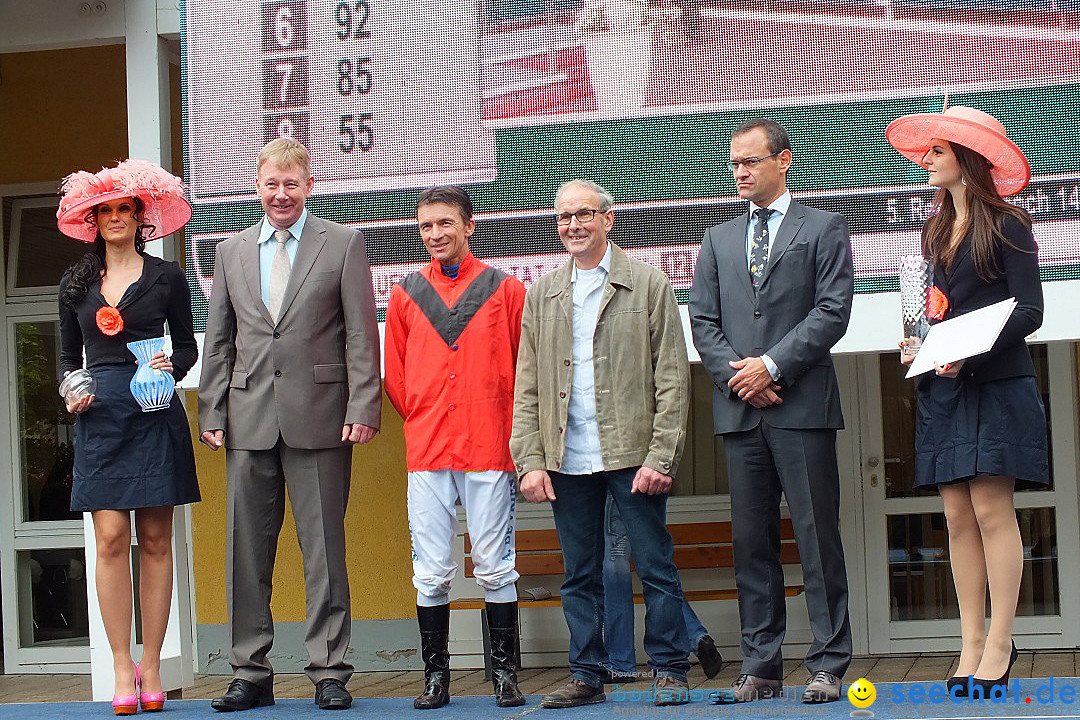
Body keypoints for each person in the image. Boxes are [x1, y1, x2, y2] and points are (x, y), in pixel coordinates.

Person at [198, 138, 382, 712]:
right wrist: (211, 409)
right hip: (247, 418)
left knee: (324, 547)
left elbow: (360, 334)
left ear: (309, 186)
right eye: (272, 184)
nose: (281, 195)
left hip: (323, 417)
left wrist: (362, 407)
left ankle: (329, 669)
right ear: (258, 186)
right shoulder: (230, 251)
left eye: (292, 184)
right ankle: (250, 671)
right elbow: (221, 339)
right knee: (246, 551)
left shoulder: (344, 244)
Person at [689, 118, 854, 704]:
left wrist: (773, 366)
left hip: (802, 407)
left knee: (817, 539)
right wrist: (742, 377)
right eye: (734, 163)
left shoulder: (824, 226)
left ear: (784, 160)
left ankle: (829, 662)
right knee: (751, 543)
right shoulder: (717, 239)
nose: (740, 171)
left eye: (751, 161)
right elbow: (703, 322)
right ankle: (761, 665)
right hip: (741, 412)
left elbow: (833, 311)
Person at [511, 179, 692, 709]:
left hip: (633, 454)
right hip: (566, 459)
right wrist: (530, 460)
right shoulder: (542, 293)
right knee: (579, 575)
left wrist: (663, 456)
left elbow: (673, 380)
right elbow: (527, 385)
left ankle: (670, 669)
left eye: (584, 215)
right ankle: (587, 674)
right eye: (564, 217)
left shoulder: (649, 283)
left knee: (655, 565)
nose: (573, 225)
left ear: (609, 220)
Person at [888, 105, 1046, 696]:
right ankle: (970, 643)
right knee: (956, 517)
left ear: (966, 159)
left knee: (989, 511)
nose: (926, 160)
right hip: (944, 389)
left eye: (937, 151)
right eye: (927, 151)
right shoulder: (932, 233)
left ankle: (1000, 643)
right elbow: (936, 312)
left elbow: (1029, 311)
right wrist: (921, 344)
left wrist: (966, 352)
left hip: (996, 386)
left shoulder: (1008, 225)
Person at [56, 159, 201, 716]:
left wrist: (171, 363)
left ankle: (153, 664)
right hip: (101, 417)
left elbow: (188, 347)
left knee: (158, 541)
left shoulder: (168, 277)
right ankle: (121, 665)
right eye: (106, 210)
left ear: (141, 216)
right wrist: (74, 389)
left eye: (125, 208)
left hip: (154, 409)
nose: (115, 217)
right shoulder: (74, 283)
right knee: (112, 539)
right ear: (93, 220)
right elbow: (70, 359)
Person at [383, 186, 527, 709]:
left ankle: (506, 675)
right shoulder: (404, 293)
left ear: (470, 225)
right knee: (431, 569)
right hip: (427, 449)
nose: (436, 234)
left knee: (494, 563)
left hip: (488, 444)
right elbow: (395, 376)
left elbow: (523, 368)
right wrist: (424, 415)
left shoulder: (507, 290)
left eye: (445, 223)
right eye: (426, 227)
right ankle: (435, 678)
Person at [601, 496, 724, 683]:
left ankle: (619, 661)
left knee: (614, 569)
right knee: (655, 568)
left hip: (613, 478)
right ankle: (696, 636)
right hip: (646, 478)